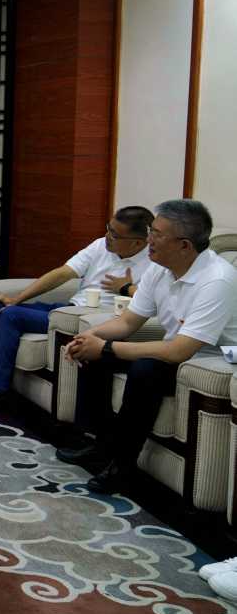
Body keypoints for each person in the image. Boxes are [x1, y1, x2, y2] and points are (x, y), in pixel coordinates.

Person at [60, 199, 237, 493]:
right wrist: (88, 338)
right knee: (95, 355)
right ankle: (100, 446)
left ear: (184, 245)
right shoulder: (160, 268)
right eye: (150, 231)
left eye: (156, 234)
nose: (148, 240)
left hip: (211, 362)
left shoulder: (217, 280)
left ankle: (123, 466)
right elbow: (128, 322)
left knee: (146, 369)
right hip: (179, 352)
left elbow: (180, 351)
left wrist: (106, 347)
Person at [0, 206, 154, 412]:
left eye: (114, 234)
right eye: (108, 228)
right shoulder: (100, 246)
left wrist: (126, 288)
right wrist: (16, 299)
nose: (107, 236)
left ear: (138, 242)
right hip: (67, 309)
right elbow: (63, 273)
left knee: (12, 315)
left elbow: (154, 300)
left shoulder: (153, 262)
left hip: (89, 320)